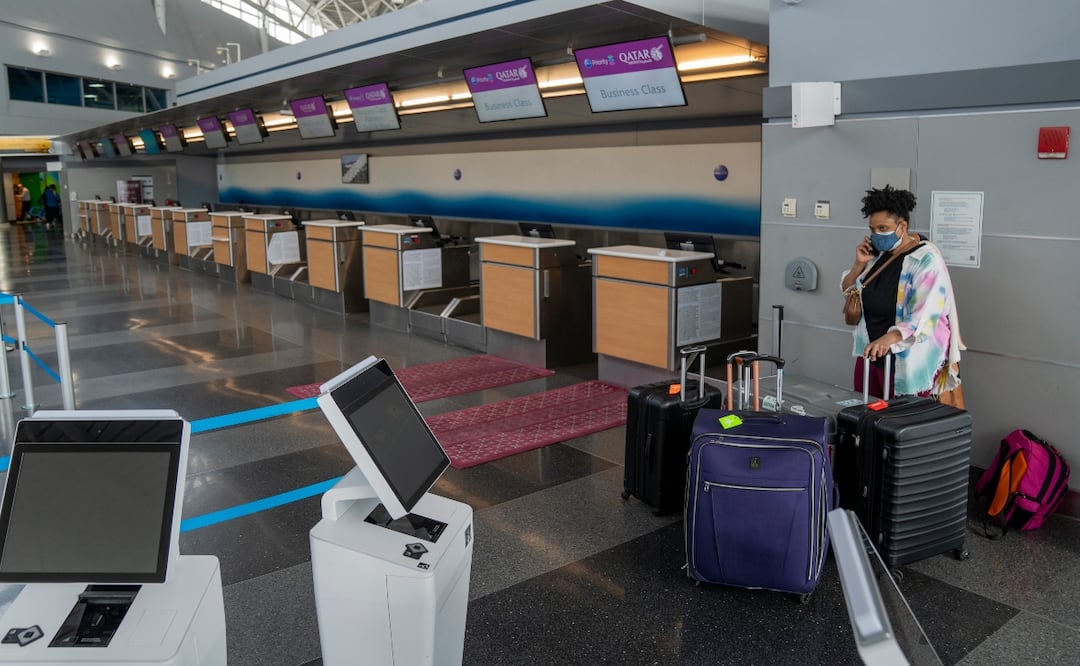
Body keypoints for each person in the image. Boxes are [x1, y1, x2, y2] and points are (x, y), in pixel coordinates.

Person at [840, 185, 965, 400]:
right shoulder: (878, 255)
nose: (877, 235)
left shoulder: (926, 260)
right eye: (872, 229)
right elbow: (850, 291)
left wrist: (889, 339)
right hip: (871, 353)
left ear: (902, 226)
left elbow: (924, 316)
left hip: (908, 358)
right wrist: (858, 265)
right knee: (866, 415)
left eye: (883, 228)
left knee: (901, 424)